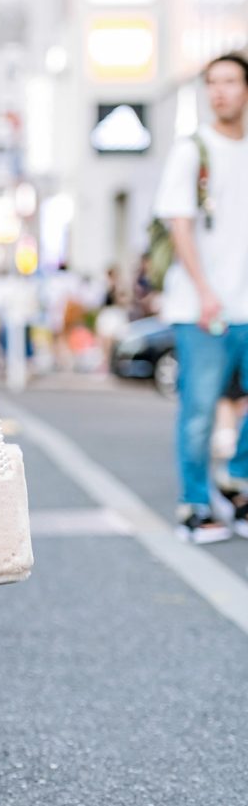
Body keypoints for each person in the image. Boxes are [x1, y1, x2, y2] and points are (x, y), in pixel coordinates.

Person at [154, 52, 248, 543]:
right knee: (200, 410)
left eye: (231, 81)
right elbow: (179, 223)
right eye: (213, 82)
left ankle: (237, 480)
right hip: (201, 308)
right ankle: (194, 506)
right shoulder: (194, 150)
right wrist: (207, 292)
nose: (220, 91)